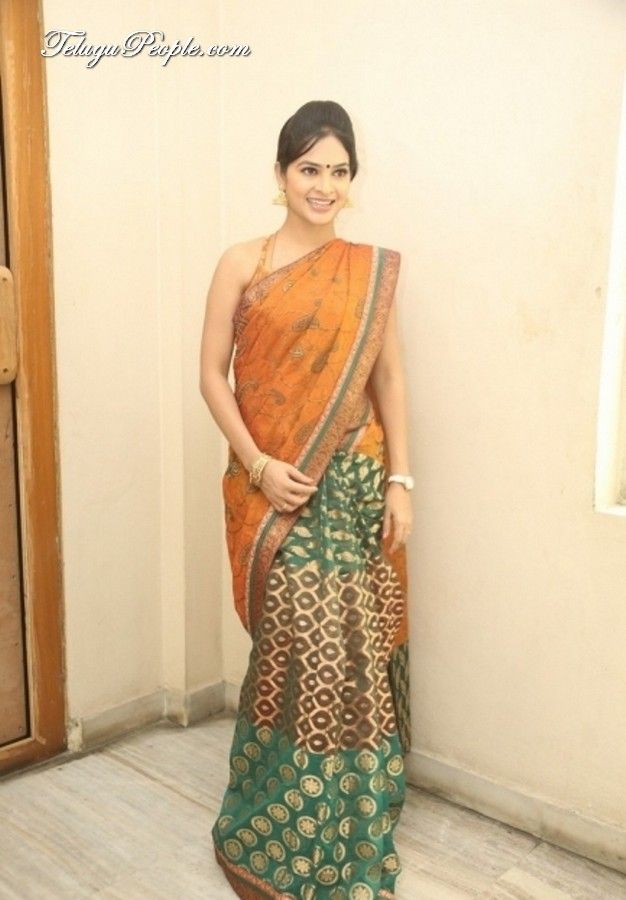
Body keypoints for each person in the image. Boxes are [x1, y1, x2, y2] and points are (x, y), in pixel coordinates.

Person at [199, 99, 413, 900]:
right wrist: (258, 466)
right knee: (294, 653)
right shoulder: (241, 263)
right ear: (281, 174)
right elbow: (211, 376)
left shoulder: (368, 271)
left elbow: (389, 379)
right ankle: (279, 815)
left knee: (351, 653)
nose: (324, 185)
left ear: (352, 180)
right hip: (278, 489)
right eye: (309, 168)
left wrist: (402, 482)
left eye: (339, 171)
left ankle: (346, 811)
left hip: (355, 482)